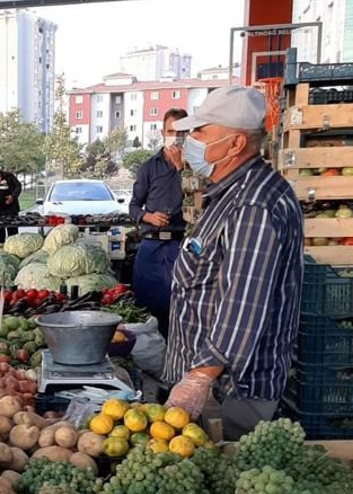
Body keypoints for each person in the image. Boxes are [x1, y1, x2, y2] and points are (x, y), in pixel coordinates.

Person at [160, 86, 303, 440]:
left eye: (201, 131)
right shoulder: (230, 192)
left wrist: (199, 379)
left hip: (230, 392)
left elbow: (243, 303)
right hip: (213, 384)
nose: (190, 138)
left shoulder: (253, 206)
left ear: (236, 144)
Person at [129, 108, 189, 339]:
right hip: (151, 246)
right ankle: (152, 358)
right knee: (148, 305)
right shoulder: (149, 167)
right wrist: (148, 216)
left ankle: (177, 356)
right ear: (163, 132)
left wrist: (180, 167)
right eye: (171, 131)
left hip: (180, 245)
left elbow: (204, 197)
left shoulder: (196, 167)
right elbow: (134, 206)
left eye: (181, 131)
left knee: (180, 304)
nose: (176, 136)